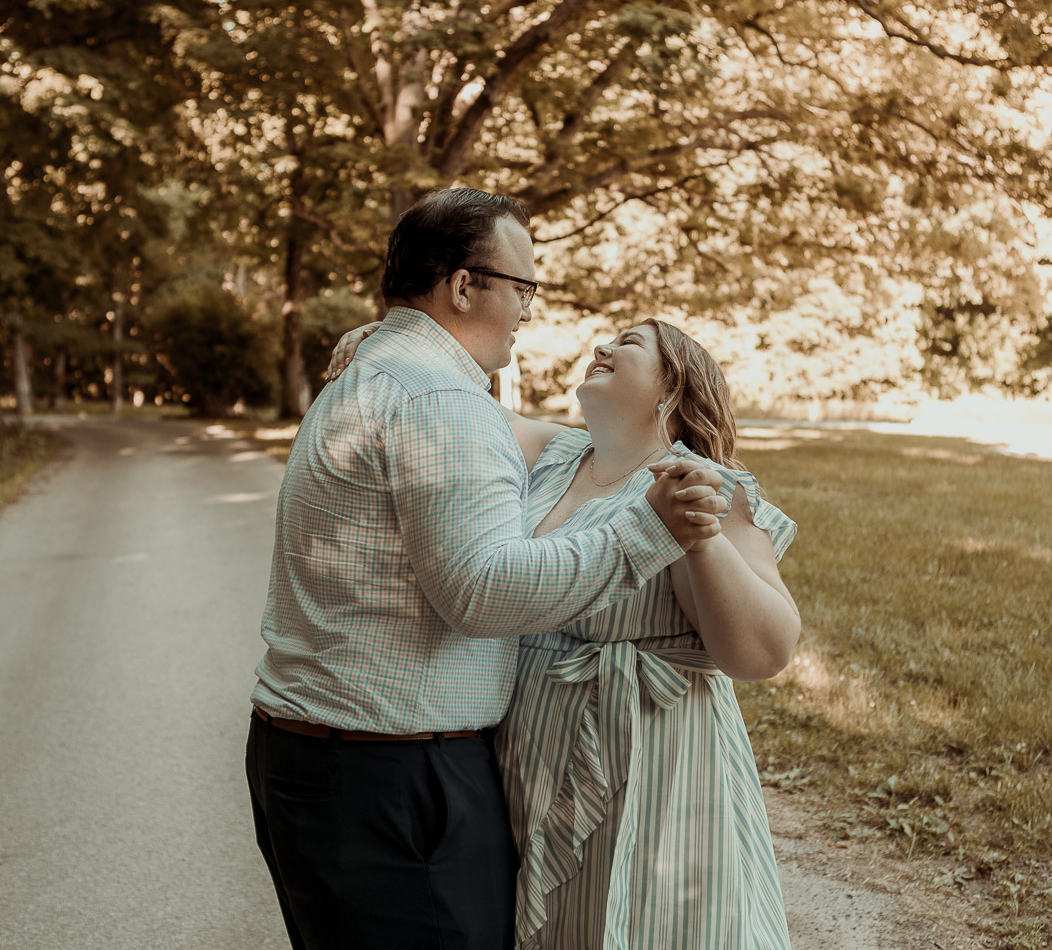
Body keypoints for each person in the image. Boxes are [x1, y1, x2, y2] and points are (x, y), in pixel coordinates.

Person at [246, 187, 727, 950]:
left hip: (321, 762)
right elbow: (484, 592)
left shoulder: (383, 371)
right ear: (465, 286)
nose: (529, 312)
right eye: (523, 287)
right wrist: (644, 533)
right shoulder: (440, 398)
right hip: (391, 780)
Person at [329, 317, 802, 948]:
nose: (602, 347)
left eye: (630, 344)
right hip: (532, 752)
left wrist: (703, 541)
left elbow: (764, 651)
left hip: (650, 764)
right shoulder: (556, 456)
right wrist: (394, 340)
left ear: (672, 387)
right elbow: (456, 405)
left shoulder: (703, 485)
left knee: (640, 922)